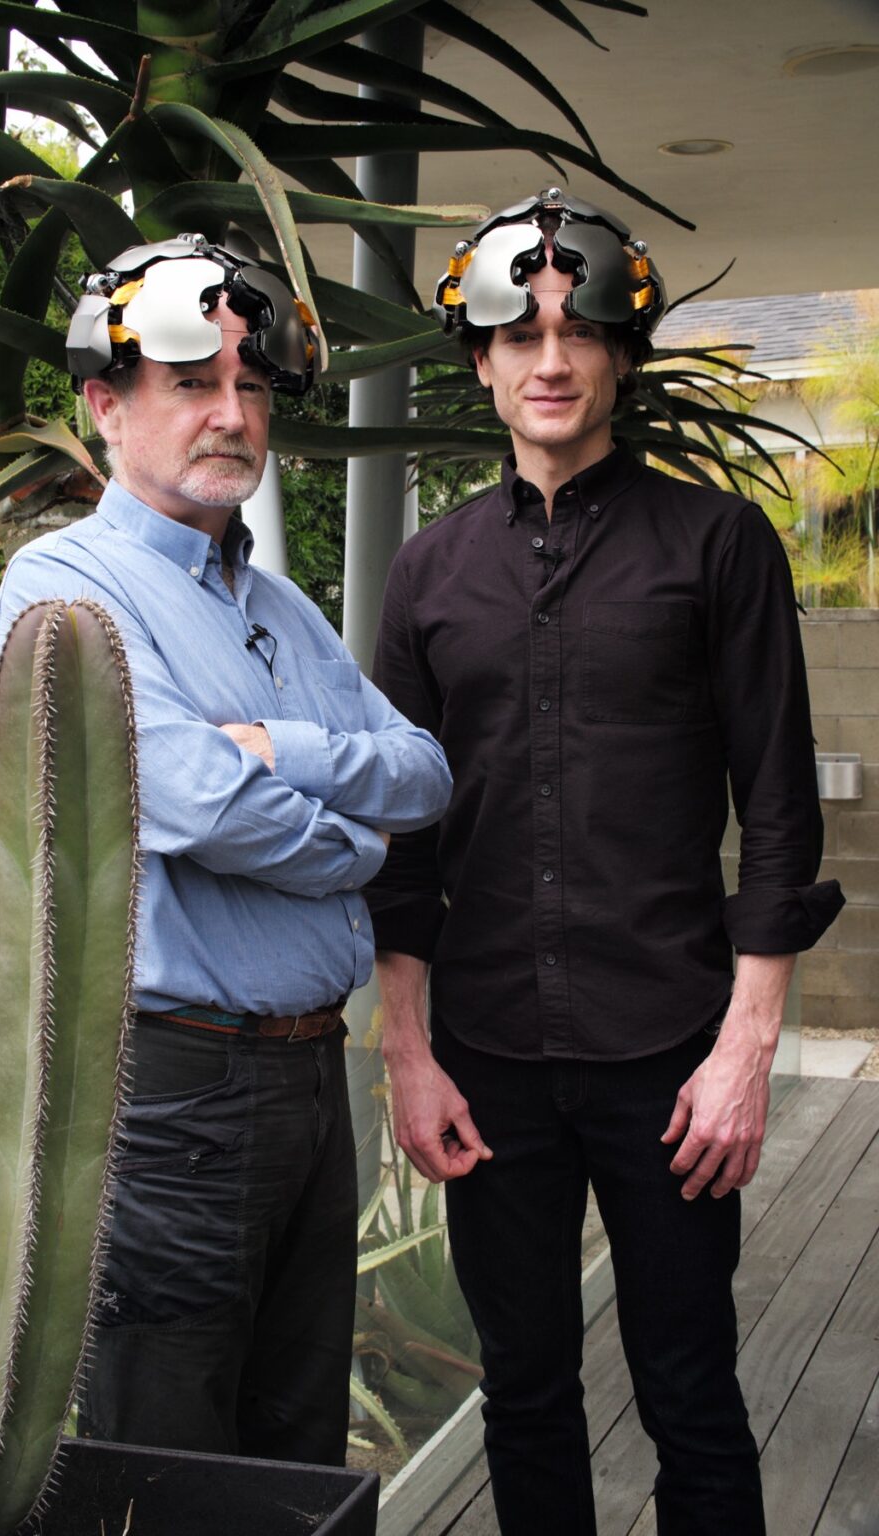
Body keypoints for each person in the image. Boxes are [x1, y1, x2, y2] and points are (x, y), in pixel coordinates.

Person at [366, 189, 844, 1534]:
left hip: (671, 1057)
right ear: (481, 361)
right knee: (523, 1392)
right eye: (521, 338)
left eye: (579, 334)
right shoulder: (427, 575)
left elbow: (780, 809)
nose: (551, 361)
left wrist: (745, 1051)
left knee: (693, 1392)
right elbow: (402, 838)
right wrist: (410, 1051)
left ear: (623, 354)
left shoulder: (720, 547)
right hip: (492, 1056)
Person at [0, 233, 452, 1467]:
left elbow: (424, 769)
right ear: (104, 404)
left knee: (293, 1444)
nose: (231, 415)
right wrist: (356, 851)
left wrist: (286, 749)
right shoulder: (64, 593)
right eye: (192, 384)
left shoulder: (278, 604)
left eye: (250, 386)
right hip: (173, 1097)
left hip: (309, 1087)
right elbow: (192, 803)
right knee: (175, 1457)